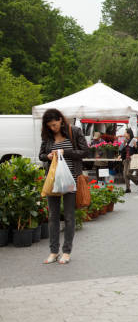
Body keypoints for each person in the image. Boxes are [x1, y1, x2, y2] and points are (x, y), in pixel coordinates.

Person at [39, 109, 88, 265]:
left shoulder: (74, 131)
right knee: (53, 217)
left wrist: (64, 152)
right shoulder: (47, 136)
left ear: (60, 119)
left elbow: (84, 151)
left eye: (55, 124)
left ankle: (66, 252)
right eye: (50, 126)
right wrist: (47, 156)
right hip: (53, 180)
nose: (53, 128)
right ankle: (53, 251)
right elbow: (41, 154)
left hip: (71, 180)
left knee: (68, 217)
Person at [120, 128, 138, 193]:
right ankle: (128, 188)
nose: (124, 134)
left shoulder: (134, 140)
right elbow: (122, 150)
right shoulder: (125, 141)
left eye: (125, 132)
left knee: (128, 173)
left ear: (128, 134)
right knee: (125, 174)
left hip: (132, 159)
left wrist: (136, 146)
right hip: (126, 159)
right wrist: (122, 156)